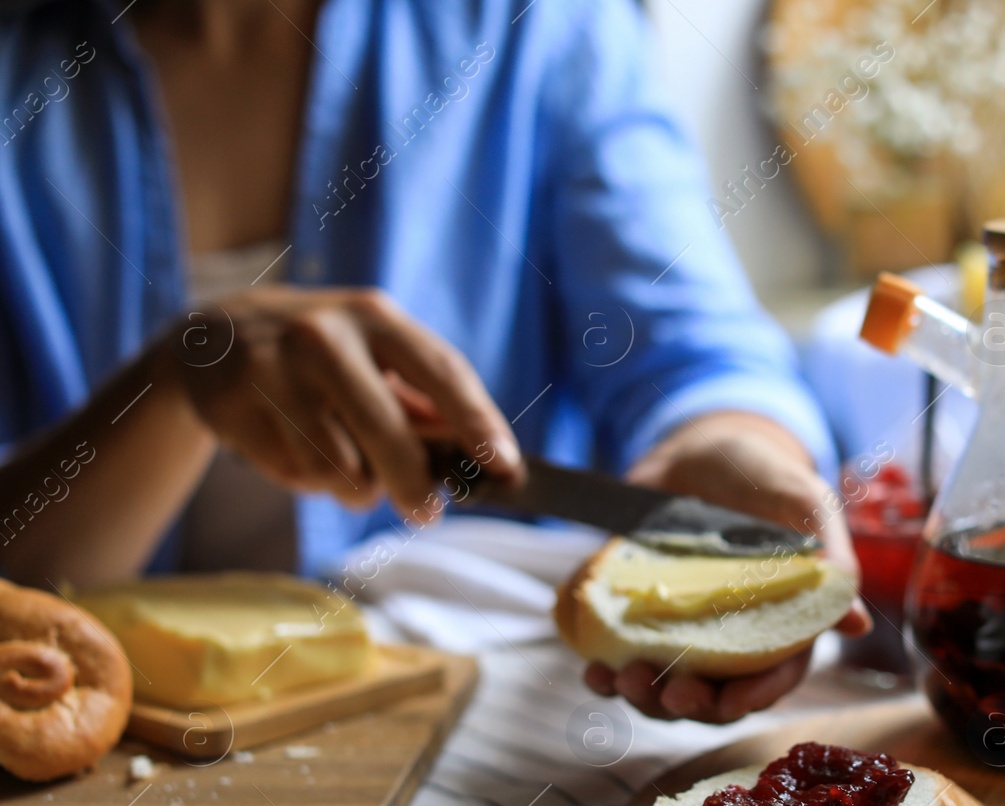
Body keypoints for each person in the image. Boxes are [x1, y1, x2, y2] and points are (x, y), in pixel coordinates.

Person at [0, 0, 866, 722]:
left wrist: (736, 438)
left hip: (478, 720)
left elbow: (692, 350)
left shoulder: (541, 23)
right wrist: (176, 385)